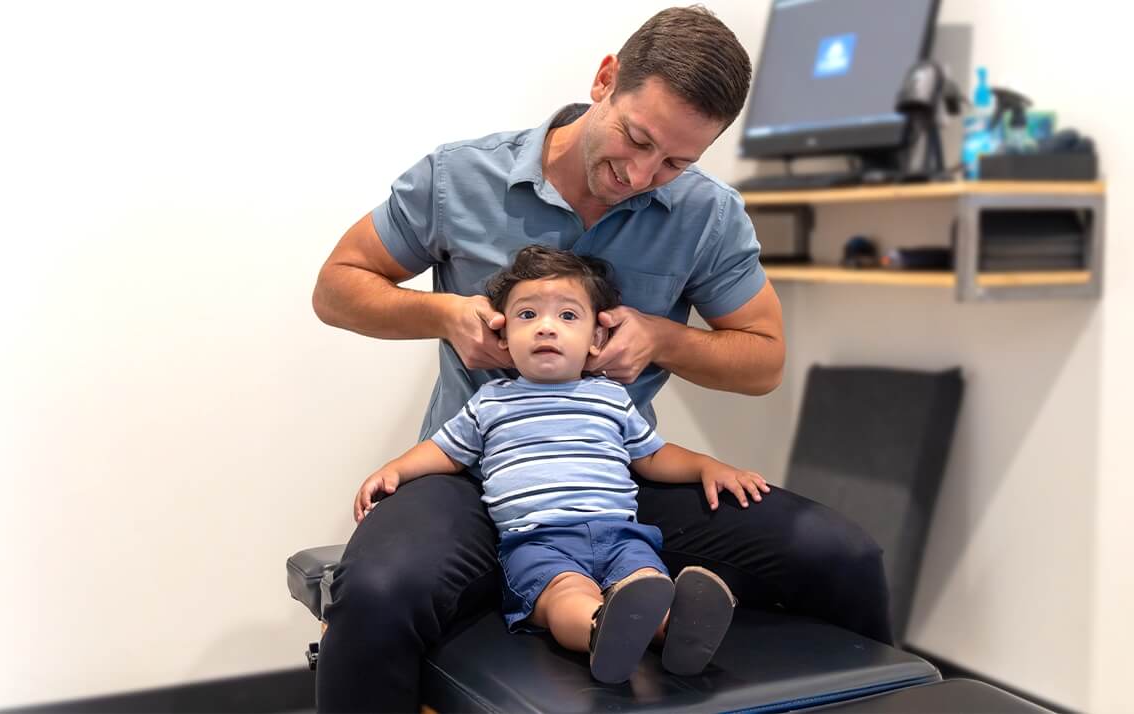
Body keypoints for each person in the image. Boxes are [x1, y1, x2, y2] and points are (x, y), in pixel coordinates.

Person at [311, 5, 892, 712]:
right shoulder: (459, 177)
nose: (643, 174)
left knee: (844, 557)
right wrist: (445, 315)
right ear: (605, 79)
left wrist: (665, 338)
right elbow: (336, 287)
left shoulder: (707, 215)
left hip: (608, 469)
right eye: (637, 138)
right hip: (473, 471)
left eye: (677, 161)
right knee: (378, 591)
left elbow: (764, 360)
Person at [353, 245, 768, 683]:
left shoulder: (609, 398)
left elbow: (652, 456)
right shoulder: (492, 402)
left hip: (621, 533)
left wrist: (706, 466)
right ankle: (599, 630)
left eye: (567, 316)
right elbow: (445, 451)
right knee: (566, 593)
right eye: (528, 315)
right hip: (539, 541)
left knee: (645, 579)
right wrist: (396, 468)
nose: (546, 328)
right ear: (503, 334)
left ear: (596, 338)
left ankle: (673, 631)